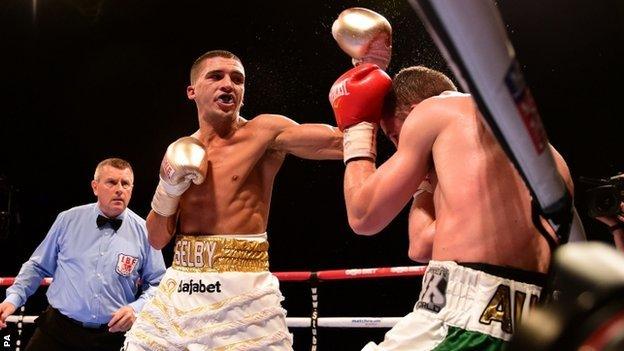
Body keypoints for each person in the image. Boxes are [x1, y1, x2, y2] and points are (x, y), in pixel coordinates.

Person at [329, 64, 574, 350]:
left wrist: (357, 133)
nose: (398, 147)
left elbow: (362, 216)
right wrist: (423, 180)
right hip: (532, 329)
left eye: (394, 135)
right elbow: (420, 246)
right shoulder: (546, 153)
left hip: (462, 321)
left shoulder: (433, 111)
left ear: (415, 111)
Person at [123, 50, 343, 351]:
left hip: (242, 288)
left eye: (237, 79)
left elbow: (340, 143)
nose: (228, 84)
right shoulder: (180, 149)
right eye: (216, 76)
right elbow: (157, 239)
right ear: (192, 91)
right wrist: (168, 189)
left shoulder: (264, 132)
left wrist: (368, 106)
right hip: (182, 285)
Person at [0, 158, 166, 351]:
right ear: (95, 187)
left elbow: (158, 284)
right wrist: (13, 299)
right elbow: (37, 266)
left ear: (132, 189)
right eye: (111, 182)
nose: (119, 189)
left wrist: (136, 309)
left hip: (112, 337)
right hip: (58, 330)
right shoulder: (68, 220)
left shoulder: (145, 231)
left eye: (125, 183)